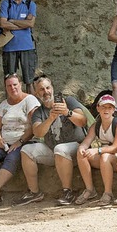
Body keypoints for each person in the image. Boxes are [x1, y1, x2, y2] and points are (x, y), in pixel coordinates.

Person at [15, 75, 89, 206]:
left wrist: (67, 112)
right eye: (41, 90)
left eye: (48, 88)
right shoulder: (38, 112)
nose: (46, 91)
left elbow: (83, 121)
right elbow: (38, 132)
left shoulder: (69, 101)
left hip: (76, 147)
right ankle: (34, 192)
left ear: (52, 88)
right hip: (53, 150)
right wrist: (50, 118)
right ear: (37, 94)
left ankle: (68, 192)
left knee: (60, 149)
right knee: (26, 150)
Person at [0, 73, 40, 209]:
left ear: (20, 85)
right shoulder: (4, 104)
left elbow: (35, 125)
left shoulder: (30, 100)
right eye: (9, 86)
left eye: (15, 85)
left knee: (11, 158)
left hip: (25, 141)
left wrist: (20, 142)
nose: (12, 88)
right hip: (4, 142)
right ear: (5, 88)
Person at [75, 94, 117, 206]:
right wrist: (82, 148)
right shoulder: (96, 126)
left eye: (110, 107)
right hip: (106, 155)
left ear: (114, 110)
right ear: (98, 108)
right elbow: (86, 143)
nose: (106, 110)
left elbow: (115, 147)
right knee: (82, 154)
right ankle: (90, 190)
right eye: (103, 107)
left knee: (105, 156)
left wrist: (97, 150)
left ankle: (108, 193)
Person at [0, 0, 37, 94]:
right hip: (9, 46)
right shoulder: (6, 3)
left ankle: (31, 108)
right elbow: (3, 23)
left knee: (29, 80)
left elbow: (31, 23)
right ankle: (10, 106)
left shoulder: (30, 4)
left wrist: (13, 21)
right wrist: (23, 24)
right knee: (9, 80)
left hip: (27, 46)